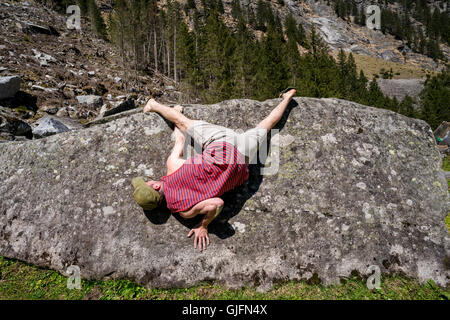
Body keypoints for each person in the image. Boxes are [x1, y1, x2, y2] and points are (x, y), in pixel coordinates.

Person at [131, 88, 297, 251]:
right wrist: (176, 116)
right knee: (184, 122)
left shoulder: (183, 210)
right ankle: (154, 105)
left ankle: (287, 99)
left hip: (241, 158)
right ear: (156, 187)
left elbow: (217, 204)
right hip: (220, 141)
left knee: (266, 126)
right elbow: (180, 140)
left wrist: (202, 225)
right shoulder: (172, 167)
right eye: (146, 183)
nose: (148, 180)